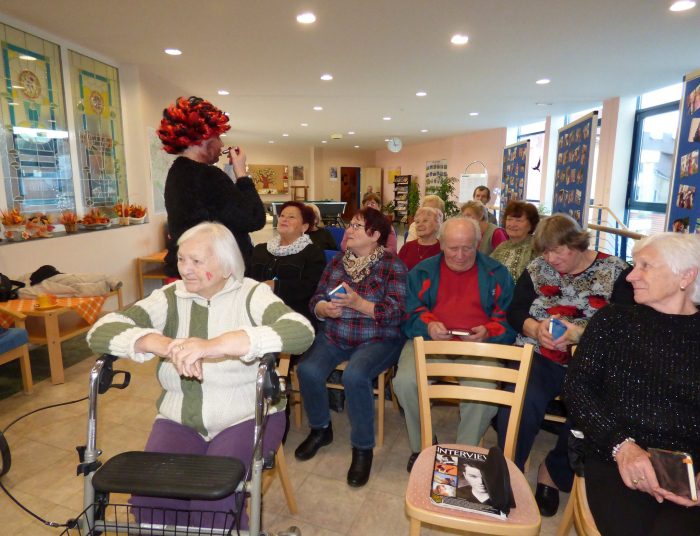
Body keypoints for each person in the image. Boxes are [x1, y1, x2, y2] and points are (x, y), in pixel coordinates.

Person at [86, 222, 314, 529]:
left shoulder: (252, 294)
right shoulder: (170, 297)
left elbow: (301, 331)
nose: (186, 269)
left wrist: (216, 345)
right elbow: (100, 331)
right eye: (181, 259)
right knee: (150, 497)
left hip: (246, 415)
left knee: (214, 498)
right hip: (179, 418)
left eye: (197, 260)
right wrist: (161, 344)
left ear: (226, 266)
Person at [562, 233, 700, 535]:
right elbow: (577, 388)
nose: (631, 276)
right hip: (615, 456)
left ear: (686, 276)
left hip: (690, 470)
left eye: (645, 266)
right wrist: (622, 446)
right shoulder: (613, 320)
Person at [497, 213, 633, 517]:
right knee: (518, 402)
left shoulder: (616, 272)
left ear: (577, 243)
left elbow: (626, 328)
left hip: (592, 362)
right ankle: (509, 472)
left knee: (589, 415)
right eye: (545, 251)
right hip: (539, 354)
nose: (550, 259)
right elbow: (516, 311)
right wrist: (535, 329)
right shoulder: (537, 269)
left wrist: (580, 335)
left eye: (557, 251)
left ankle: (553, 472)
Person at [294, 207, 407, 487]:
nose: (349, 230)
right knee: (307, 370)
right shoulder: (337, 262)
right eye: (351, 225)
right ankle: (321, 429)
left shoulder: (393, 265)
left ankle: (362, 447)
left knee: (355, 375)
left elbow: (397, 312)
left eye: (357, 226)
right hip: (336, 335)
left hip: (378, 338)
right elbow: (316, 298)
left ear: (376, 235)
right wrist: (323, 309)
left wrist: (359, 304)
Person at [394, 217, 515, 472]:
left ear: (478, 243)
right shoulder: (422, 272)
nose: (460, 256)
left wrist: (488, 332)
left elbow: (508, 320)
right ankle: (424, 444)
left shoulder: (497, 273)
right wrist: (428, 326)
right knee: (405, 382)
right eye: (453, 248)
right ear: (441, 244)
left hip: (478, 346)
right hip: (431, 341)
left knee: (484, 390)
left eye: (467, 248)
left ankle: (463, 452)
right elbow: (409, 313)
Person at [158, 96, 266, 276]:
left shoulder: (176, 173)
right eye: (217, 137)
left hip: (191, 267)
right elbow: (254, 218)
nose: (221, 144)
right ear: (203, 137)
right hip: (217, 274)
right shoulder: (208, 175)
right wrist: (241, 172)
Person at [248, 201, 326, 326]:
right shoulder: (260, 249)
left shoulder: (313, 252)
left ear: (304, 227)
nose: (284, 219)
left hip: (292, 316)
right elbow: (246, 278)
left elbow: (311, 287)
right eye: (282, 215)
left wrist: (276, 286)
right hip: (256, 311)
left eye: (291, 217)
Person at [490, 200, 540, 281]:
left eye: (518, 220)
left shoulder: (537, 248)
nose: (512, 224)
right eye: (509, 219)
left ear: (531, 225)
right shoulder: (501, 247)